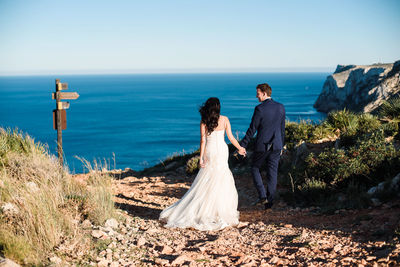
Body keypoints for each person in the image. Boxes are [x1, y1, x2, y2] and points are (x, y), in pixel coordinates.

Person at [159, 97, 245, 231]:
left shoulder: (204, 121)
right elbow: (231, 137)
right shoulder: (225, 119)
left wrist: (201, 158)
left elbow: (203, 141)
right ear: (218, 107)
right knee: (222, 176)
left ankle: (205, 209)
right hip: (222, 150)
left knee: (208, 177)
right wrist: (239, 148)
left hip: (210, 150)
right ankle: (219, 210)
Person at [239, 83, 285, 210]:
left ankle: (262, 196)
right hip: (277, 145)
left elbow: (252, 129)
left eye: (258, 93)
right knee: (272, 173)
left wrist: (242, 145)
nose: (256, 96)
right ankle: (269, 203)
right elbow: (282, 129)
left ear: (264, 94)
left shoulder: (259, 109)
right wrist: (282, 145)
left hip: (262, 146)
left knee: (254, 168)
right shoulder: (281, 107)